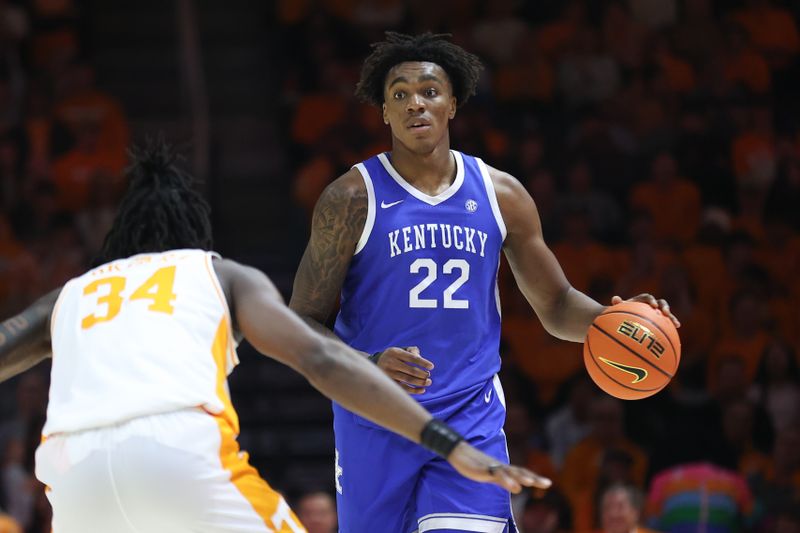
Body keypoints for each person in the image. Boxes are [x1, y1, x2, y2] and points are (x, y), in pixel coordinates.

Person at [0, 140, 548, 533]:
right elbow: (318, 355)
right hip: (178, 449)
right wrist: (445, 443)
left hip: (72, 477)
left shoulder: (71, 294)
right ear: (194, 236)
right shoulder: (215, 272)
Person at [289, 32, 678, 533]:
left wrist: (611, 321)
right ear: (383, 112)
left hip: (467, 414)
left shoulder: (502, 195)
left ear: (453, 102)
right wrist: (368, 364)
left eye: (429, 91)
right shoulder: (349, 199)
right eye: (399, 94)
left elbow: (557, 304)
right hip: (374, 420)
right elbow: (299, 325)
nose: (415, 104)